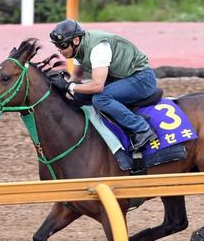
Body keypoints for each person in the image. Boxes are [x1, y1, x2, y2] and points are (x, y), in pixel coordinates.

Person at [49, 19, 158, 150]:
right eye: (57, 46)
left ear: (76, 40)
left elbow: (97, 86)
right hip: (122, 78)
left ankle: (142, 129)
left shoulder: (98, 48)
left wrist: (69, 86)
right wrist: (63, 88)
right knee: (78, 95)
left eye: (62, 45)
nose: (59, 50)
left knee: (100, 99)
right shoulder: (79, 48)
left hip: (142, 78)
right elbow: (77, 76)